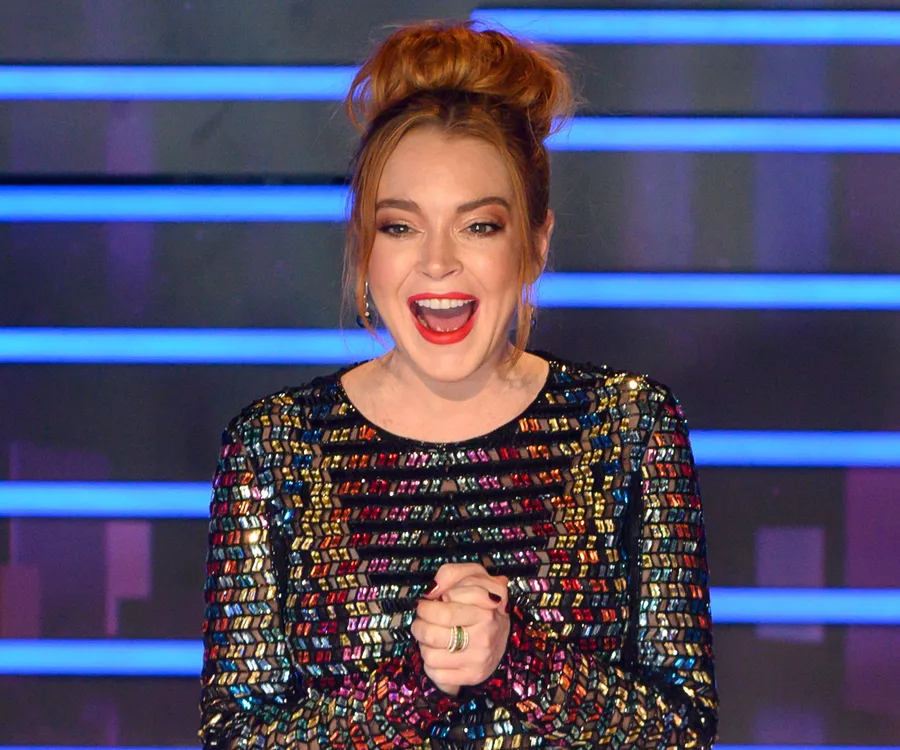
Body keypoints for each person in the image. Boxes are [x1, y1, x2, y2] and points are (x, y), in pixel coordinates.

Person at [199, 20, 718, 749]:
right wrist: (415, 685)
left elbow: (682, 730)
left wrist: (518, 659)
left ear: (534, 244)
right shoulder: (276, 446)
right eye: (401, 228)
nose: (437, 264)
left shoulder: (629, 426)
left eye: (478, 227)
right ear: (364, 251)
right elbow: (235, 740)